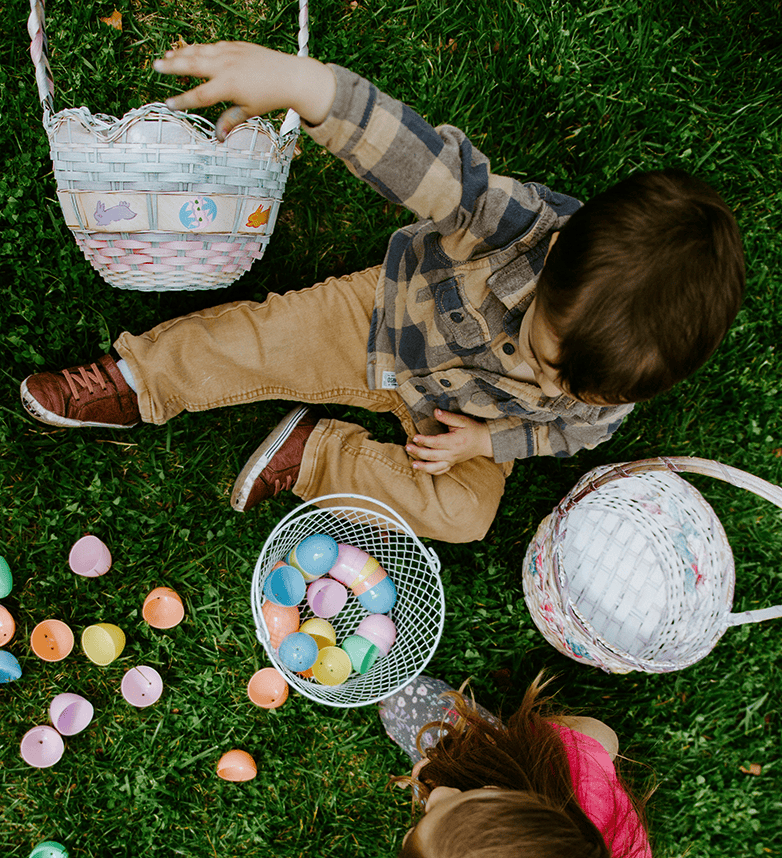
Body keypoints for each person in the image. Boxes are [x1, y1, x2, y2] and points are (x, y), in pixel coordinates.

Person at [20, 43, 745, 543]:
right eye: (545, 355)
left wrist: (487, 439)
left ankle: (312, 456)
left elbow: (566, 431)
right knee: (258, 340)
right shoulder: (510, 226)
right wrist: (311, 89)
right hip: (383, 319)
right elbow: (425, 166)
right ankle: (142, 377)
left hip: (455, 420)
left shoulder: (610, 385)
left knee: (467, 514)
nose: (546, 381)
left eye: (567, 385)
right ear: (555, 254)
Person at [367, 674, 664, 858]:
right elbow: (603, 737)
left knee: (399, 702)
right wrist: (530, 745)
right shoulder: (577, 780)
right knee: (405, 702)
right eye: (483, 794)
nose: (440, 794)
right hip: (531, 767)